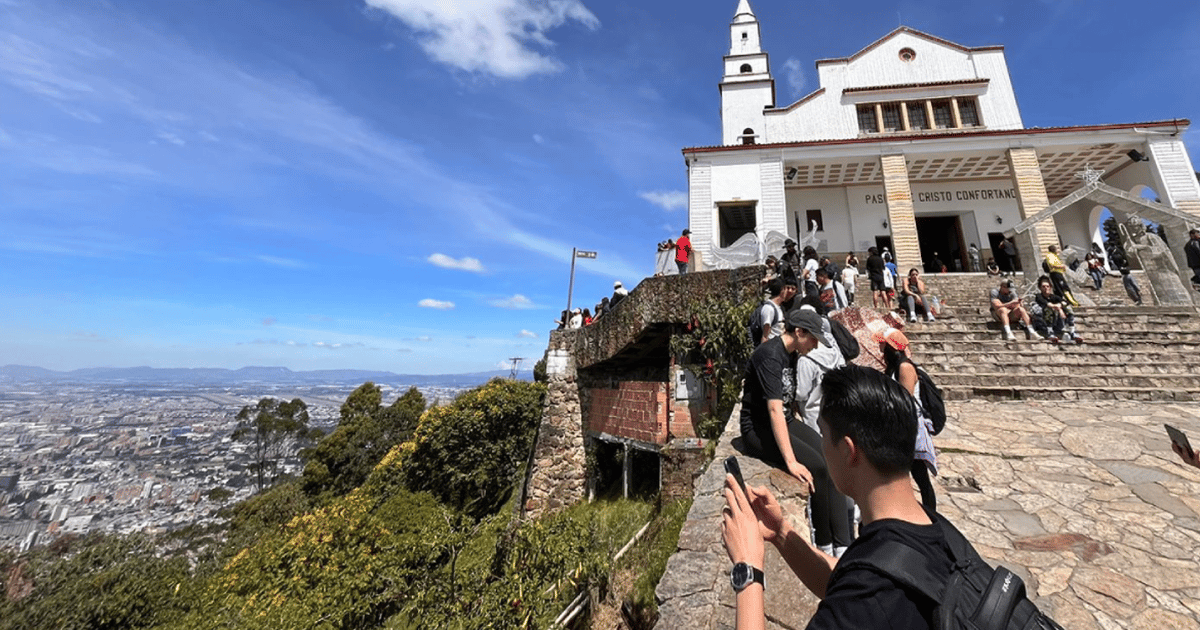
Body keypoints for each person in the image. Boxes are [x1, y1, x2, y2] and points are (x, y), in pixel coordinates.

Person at [722, 365, 959, 630]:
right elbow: (846, 577)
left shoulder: (865, 603)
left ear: (848, 451)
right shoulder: (936, 530)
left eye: (823, 434)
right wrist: (781, 534)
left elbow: (862, 592)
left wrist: (748, 567)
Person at [738, 309, 853, 558]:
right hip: (758, 428)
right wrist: (791, 461)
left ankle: (843, 543)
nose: (814, 345)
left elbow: (787, 404)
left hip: (785, 420)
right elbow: (773, 409)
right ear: (799, 332)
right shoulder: (769, 356)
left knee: (827, 455)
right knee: (817, 468)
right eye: (812, 339)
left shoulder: (792, 354)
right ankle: (824, 545)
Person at [878, 328, 938, 510]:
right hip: (898, 425)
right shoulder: (893, 367)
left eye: (882, 343)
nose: (879, 345)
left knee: (920, 476)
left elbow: (905, 399)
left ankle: (931, 513)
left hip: (909, 427)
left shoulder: (905, 367)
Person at [1032, 275, 1082, 344]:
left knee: (1068, 308)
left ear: (1050, 287)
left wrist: (1060, 306)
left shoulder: (1054, 297)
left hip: (1055, 322)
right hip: (1041, 323)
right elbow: (1048, 304)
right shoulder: (1038, 296)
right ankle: (1050, 333)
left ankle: (1072, 331)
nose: (1046, 288)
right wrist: (1059, 309)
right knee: (1048, 309)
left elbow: (1065, 301)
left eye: (1047, 286)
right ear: (1040, 288)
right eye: (1043, 287)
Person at [752, 277, 796, 346]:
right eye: (786, 288)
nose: (787, 291)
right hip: (772, 348)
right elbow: (765, 336)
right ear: (782, 290)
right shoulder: (769, 308)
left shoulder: (778, 307)